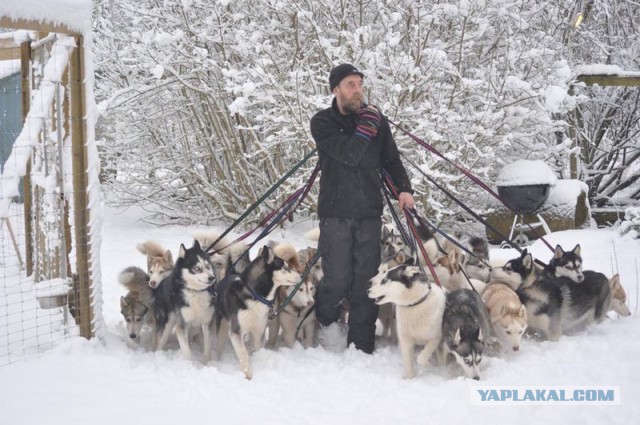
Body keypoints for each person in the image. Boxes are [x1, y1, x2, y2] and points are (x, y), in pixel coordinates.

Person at [309, 63, 415, 354]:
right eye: (350, 85)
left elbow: (391, 159)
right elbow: (349, 154)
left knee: (366, 279)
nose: (357, 90)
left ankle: (362, 342)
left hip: (369, 212)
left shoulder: (375, 121)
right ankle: (329, 326)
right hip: (335, 212)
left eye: (359, 84)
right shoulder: (322, 122)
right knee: (337, 278)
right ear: (336, 90)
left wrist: (404, 189)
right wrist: (368, 125)